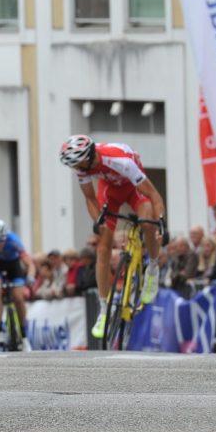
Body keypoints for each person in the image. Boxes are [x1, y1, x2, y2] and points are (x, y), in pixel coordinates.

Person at [58, 134, 166, 340]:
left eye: (79, 164)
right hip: (110, 191)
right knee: (102, 247)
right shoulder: (82, 167)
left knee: (146, 223)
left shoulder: (119, 161)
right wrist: (99, 220)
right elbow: (90, 198)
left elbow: (153, 195)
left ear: (89, 156)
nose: (78, 169)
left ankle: (152, 267)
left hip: (135, 188)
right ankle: (104, 309)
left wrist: (160, 221)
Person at [0, 219, 36, 348]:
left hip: (13, 266)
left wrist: (30, 276)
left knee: (18, 297)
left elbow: (30, 263)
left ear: (6, 237)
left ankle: (23, 333)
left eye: (1, 240)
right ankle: (0, 329)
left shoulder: (14, 240)